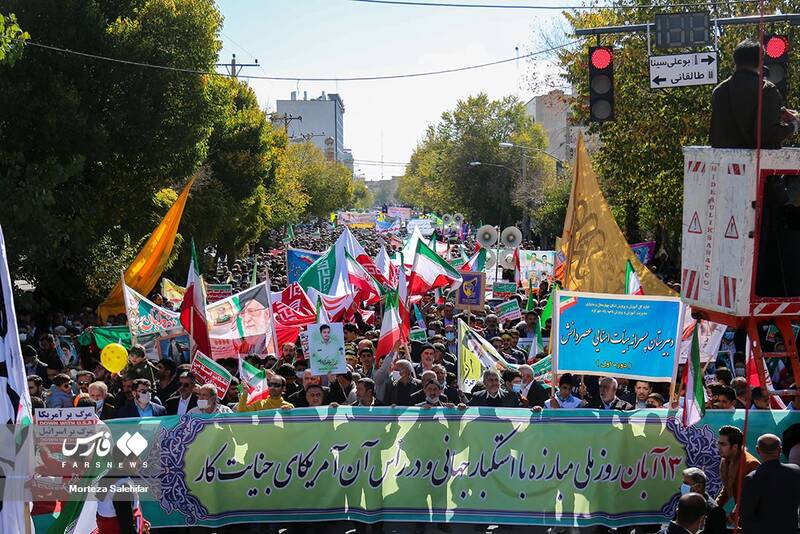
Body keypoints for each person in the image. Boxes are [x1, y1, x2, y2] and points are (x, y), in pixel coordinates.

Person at [710, 39, 800, 149]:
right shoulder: (766, 89)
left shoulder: (719, 91)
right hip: (756, 163)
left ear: (735, 61)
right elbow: (767, 135)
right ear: (761, 62)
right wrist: (793, 125)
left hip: (724, 163)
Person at [740, 433, 800, 533]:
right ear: (780, 450)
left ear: (757, 450)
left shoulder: (752, 478)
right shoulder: (796, 471)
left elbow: (746, 515)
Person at [716, 425, 760, 525]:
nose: (719, 447)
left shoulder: (751, 465)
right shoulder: (726, 460)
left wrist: (733, 516)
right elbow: (727, 489)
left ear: (735, 447)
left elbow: (748, 498)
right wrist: (713, 508)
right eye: (718, 443)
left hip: (753, 518)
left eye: (723, 444)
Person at [679, 467, 726, 534]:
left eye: (686, 483)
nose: (683, 486)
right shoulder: (684, 503)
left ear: (698, 487)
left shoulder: (715, 511)